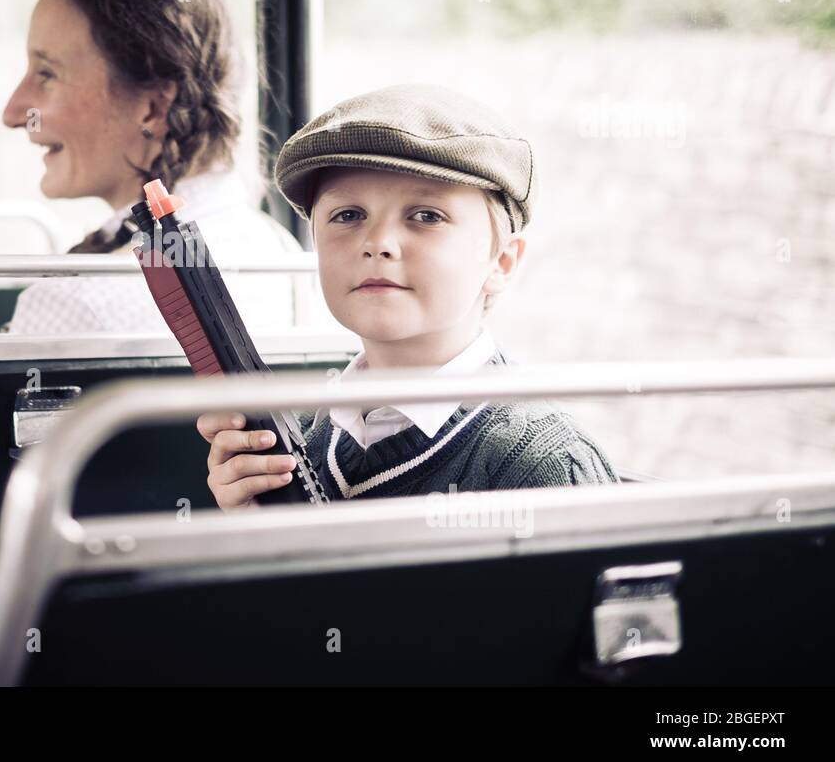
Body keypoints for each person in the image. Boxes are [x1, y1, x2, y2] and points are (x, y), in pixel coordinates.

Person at [197, 84, 619, 510]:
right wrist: (253, 532)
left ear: (502, 262)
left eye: (426, 216)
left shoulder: (548, 469)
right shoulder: (295, 441)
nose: (378, 243)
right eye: (348, 215)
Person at [0, 0, 303, 335]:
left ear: (154, 109)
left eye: (47, 74)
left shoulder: (73, 305)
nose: (13, 112)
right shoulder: (279, 251)